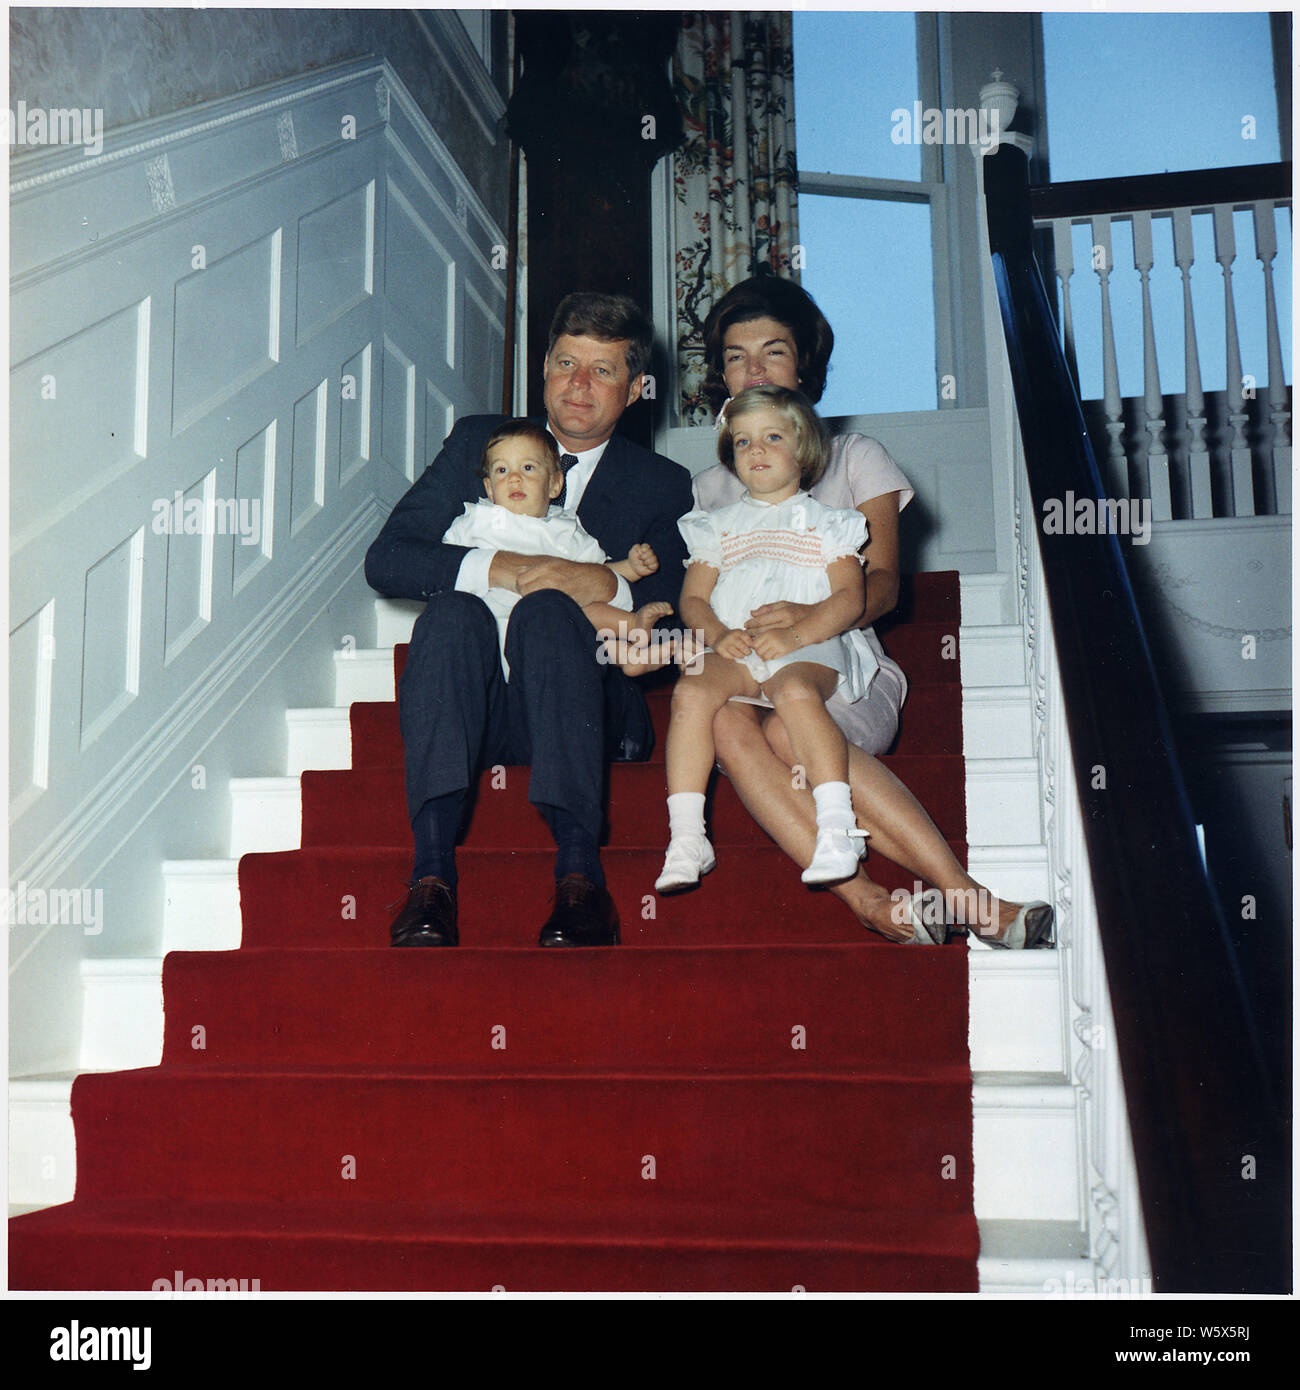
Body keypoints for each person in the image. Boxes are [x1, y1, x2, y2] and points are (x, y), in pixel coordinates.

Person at [692, 275, 1052, 949]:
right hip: (751, 671)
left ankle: (966, 897)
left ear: (805, 365)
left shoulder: (856, 457)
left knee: (781, 731)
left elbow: (886, 585)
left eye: (773, 352)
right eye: (736, 357)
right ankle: (867, 901)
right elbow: (707, 601)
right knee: (726, 722)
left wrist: (809, 615)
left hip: (842, 664)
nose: (753, 371)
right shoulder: (711, 486)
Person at [365, 292, 695, 949]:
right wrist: (502, 566)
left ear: (633, 390)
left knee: (547, 611)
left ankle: (580, 881)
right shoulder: (478, 443)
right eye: (566, 363)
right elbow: (389, 559)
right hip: (477, 703)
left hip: (582, 703)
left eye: (602, 371)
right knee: (452, 612)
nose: (578, 384)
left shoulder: (663, 480)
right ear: (543, 368)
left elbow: (671, 605)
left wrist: (601, 581)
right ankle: (430, 881)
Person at [658, 386, 875, 892]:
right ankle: (689, 836)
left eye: (772, 438)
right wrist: (718, 634)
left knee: (793, 693)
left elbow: (849, 599)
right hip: (737, 645)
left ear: (804, 449)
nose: (755, 451)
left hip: (807, 644)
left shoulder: (830, 524)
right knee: (691, 690)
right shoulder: (717, 526)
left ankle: (837, 825)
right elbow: (693, 600)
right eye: (742, 441)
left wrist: (798, 633)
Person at [441, 417, 672, 676]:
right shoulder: (474, 521)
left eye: (528, 468)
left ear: (554, 484)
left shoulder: (565, 529)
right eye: (502, 471)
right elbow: (447, 567)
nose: (514, 479)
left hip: (550, 640)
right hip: (489, 628)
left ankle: (630, 635)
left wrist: (630, 568)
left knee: (583, 611)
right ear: (489, 488)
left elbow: (596, 573)